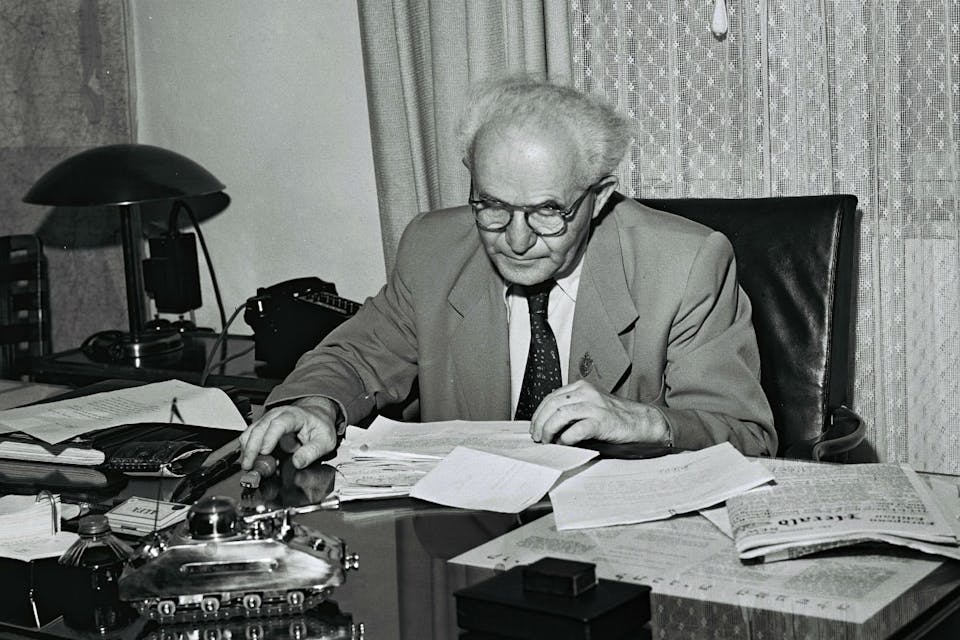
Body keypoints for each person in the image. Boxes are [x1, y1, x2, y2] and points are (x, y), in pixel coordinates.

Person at [239, 76, 776, 472]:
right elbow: (355, 358)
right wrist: (316, 403)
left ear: (600, 197)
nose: (516, 241)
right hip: (471, 538)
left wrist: (644, 423)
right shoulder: (432, 248)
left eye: (547, 211)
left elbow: (747, 438)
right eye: (492, 206)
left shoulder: (685, 264)